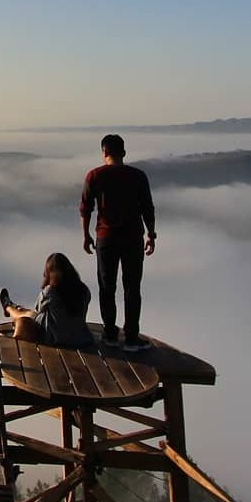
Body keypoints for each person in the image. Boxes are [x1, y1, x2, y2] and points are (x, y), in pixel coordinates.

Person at [79, 134, 156, 352]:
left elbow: (85, 208)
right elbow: (147, 208)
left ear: (104, 152)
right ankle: (131, 337)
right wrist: (151, 234)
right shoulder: (138, 176)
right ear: (123, 152)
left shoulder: (95, 175)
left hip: (106, 238)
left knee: (107, 287)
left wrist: (86, 235)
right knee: (132, 288)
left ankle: (110, 334)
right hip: (133, 238)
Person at [0, 252, 94, 348]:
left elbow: (38, 309)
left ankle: (8, 307)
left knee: (26, 315)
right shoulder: (84, 290)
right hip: (80, 338)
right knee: (30, 313)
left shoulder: (51, 291)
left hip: (56, 338)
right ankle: (14, 306)